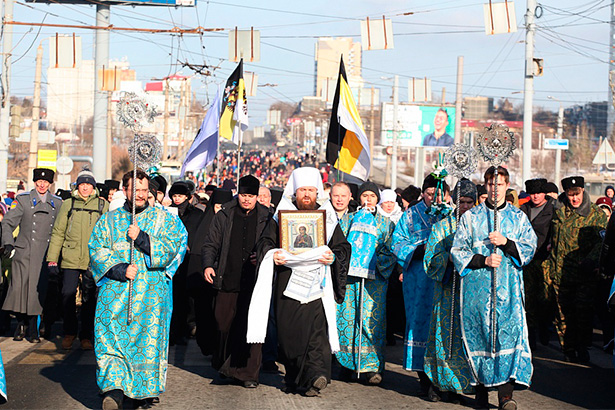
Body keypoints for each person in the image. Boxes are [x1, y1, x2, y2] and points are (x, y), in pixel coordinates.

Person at [88, 169, 187, 409]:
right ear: (126, 190)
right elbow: (96, 249)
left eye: (144, 190)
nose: (140, 195)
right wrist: (119, 268)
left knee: (145, 345)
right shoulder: (109, 220)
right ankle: (113, 389)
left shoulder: (166, 220)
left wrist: (141, 237)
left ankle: (139, 392)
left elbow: (173, 248)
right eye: (135, 190)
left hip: (150, 299)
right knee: (109, 340)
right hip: (114, 295)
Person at [250, 167, 351, 397]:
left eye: (311, 190)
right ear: (295, 192)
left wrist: (333, 257)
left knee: (317, 332)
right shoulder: (281, 215)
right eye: (302, 190)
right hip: (288, 284)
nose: (307, 194)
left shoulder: (327, 216)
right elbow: (265, 242)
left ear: (317, 193)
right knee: (289, 335)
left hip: (317, 284)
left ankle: (316, 376)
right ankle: (296, 378)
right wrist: (271, 254)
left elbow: (342, 247)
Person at [451, 166, 537, 410]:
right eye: (490, 184)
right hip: (477, 292)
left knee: (507, 336)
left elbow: (530, 247)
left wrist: (507, 243)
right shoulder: (471, 217)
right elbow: (458, 251)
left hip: (508, 291)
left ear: (507, 185)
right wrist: (482, 260)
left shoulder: (518, 217)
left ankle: (505, 397)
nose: (495, 188)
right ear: (485, 186)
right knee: (480, 338)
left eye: (499, 184)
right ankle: (480, 393)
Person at [202, 175, 270, 388]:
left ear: (257, 196)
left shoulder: (266, 217)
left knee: (252, 328)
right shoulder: (224, 215)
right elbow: (210, 243)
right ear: (237, 194)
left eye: (251, 196)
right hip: (227, 277)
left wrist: (261, 254)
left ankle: (248, 374)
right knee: (223, 324)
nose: (247, 200)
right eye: (243, 195)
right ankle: (225, 365)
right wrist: (208, 264)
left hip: (255, 281)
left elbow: (272, 243)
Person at [390, 173, 450, 396]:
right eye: (430, 194)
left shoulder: (451, 214)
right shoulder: (411, 214)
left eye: (439, 194)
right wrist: (418, 250)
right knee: (419, 323)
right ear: (423, 193)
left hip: (444, 279)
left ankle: (445, 378)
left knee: (443, 326)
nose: (434, 199)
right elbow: (396, 241)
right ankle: (424, 377)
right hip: (418, 278)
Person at [336, 181, 396, 385]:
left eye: (372, 196)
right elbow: (340, 244)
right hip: (350, 280)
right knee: (348, 319)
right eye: (364, 196)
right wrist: (350, 262)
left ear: (377, 199)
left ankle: (371, 367)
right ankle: (346, 364)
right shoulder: (348, 219)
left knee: (372, 321)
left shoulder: (386, 223)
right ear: (358, 198)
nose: (368, 199)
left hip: (375, 282)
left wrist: (374, 262)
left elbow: (390, 249)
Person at [543, 176, 607, 363]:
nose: (574, 199)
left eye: (577, 194)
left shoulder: (595, 215)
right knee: (562, 314)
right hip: (560, 273)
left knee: (582, 313)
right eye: (570, 195)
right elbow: (551, 238)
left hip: (583, 274)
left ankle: (582, 346)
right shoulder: (559, 212)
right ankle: (568, 348)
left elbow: (601, 243)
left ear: (583, 191)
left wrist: (591, 260)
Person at [424, 179, 477, 403]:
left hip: (473, 293)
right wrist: (450, 256)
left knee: (468, 340)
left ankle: (464, 385)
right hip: (447, 291)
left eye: (469, 202)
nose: (464, 206)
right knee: (443, 337)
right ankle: (439, 384)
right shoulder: (442, 226)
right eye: (460, 201)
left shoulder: (481, 226)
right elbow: (430, 260)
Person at [46, 168, 108, 350]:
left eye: (89, 184)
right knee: (67, 294)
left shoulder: (102, 206)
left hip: (92, 258)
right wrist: (52, 259)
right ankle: (69, 332)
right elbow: (58, 232)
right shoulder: (68, 204)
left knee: (90, 299)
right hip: (70, 255)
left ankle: (86, 336)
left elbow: (108, 233)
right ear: (77, 186)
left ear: (94, 186)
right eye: (82, 184)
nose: (85, 188)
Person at [2, 168, 62, 343]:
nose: (42, 185)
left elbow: (60, 228)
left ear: (50, 184)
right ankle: (21, 325)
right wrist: (8, 242)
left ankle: (33, 330)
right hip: (24, 252)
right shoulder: (23, 200)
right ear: (34, 182)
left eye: (46, 182)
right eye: (39, 182)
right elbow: (7, 222)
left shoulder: (57, 203)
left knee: (38, 291)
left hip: (45, 254)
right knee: (20, 290)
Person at [188, 188, 233, 356]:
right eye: (217, 206)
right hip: (204, 280)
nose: (220, 210)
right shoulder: (205, 224)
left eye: (224, 206)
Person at [519, 178, 556, 349]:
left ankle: (544, 327)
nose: (535, 196)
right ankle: (531, 335)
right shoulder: (523, 210)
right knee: (528, 298)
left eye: (538, 193)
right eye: (532, 193)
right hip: (527, 260)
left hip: (545, 260)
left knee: (545, 298)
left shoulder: (553, 209)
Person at [168, 181, 204, 346]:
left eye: (180, 196)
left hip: (189, 260)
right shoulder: (167, 213)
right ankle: (174, 332)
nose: (177, 199)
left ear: (188, 197)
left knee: (186, 297)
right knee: (173, 297)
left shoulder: (196, 214)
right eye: (174, 195)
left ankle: (186, 328)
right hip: (170, 260)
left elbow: (199, 235)